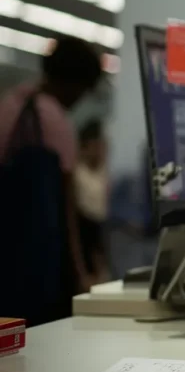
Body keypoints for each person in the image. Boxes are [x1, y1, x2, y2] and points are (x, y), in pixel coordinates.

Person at [0, 37, 104, 321]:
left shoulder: (11, 103)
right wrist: (80, 273)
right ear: (74, 83)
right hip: (41, 258)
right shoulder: (55, 118)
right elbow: (66, 208)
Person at [74, 119, 110, 283]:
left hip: (102, 230)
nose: (100, 150)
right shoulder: (77, 174)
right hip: (84, 227)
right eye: (96, 146)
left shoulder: (103, 172)